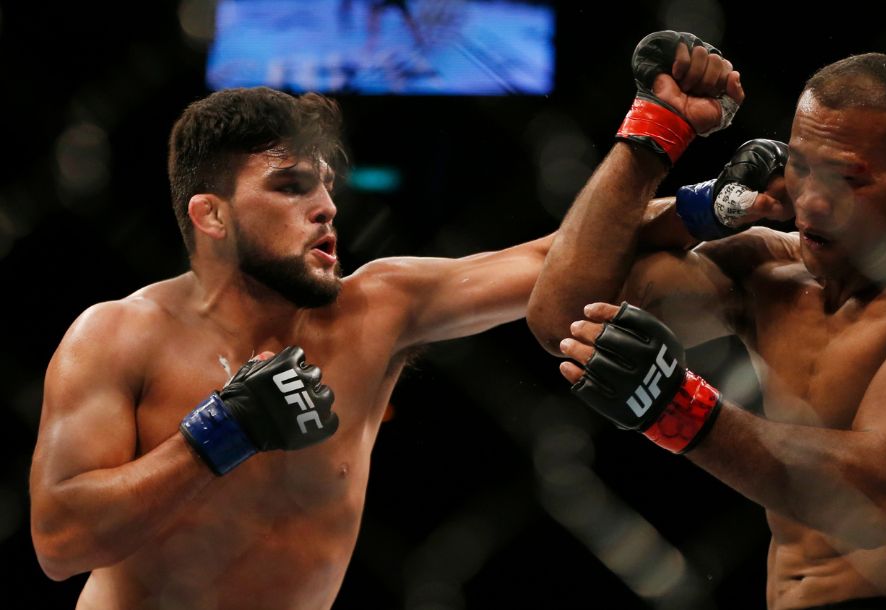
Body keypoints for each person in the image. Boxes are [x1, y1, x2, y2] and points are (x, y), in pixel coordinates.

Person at [526, 31, 886, 610]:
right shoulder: (767, 267)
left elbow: (881, 495)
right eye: (802, 169)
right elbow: (565, 318)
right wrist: (661, 144)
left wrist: (677, 409)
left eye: (847, 179)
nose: (815, 203)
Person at [27, 86, 562, 609]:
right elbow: (59, 544)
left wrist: (646, 131)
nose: (327, 207)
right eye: (291, 186)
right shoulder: (119, 334)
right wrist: (219, 434)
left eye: (326, 185)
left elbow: (553, 265)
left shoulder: (378, 310)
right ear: (212, 216)